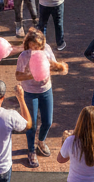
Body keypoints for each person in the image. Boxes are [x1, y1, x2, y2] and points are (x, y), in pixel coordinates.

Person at [15, 30, 68, 169]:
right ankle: (31, 151)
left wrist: (59, 67)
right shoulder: (23, 56)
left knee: (48, 121)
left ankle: (41, 141)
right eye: (32, 46)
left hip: (46, 90)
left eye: (37, 46)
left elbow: (54, 66)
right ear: (28, 44)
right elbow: (18, 76)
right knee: (31, 124)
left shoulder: (47, 50)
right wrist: (32, 75)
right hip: (30, 92)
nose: (35, 50)